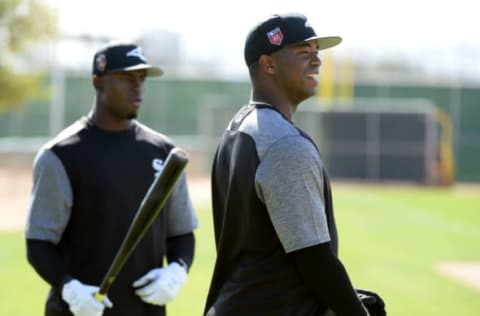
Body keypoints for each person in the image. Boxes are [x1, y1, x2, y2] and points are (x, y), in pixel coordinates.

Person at [204, 13, 385, 316]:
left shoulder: (239, 128)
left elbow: (266, 254)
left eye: (317, 54)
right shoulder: (284, 144)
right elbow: (314, 259)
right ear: (269, 64)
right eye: (303, 53)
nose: (317, 62)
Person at [25, 41, 198, 316]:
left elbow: (182, 233)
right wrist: (69, 288)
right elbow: (39, 243)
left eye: (141, 79)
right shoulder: (60, 155)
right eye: (126, 78)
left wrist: (178, 269)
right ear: (98, 82)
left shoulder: (164, 153)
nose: (138, 87)